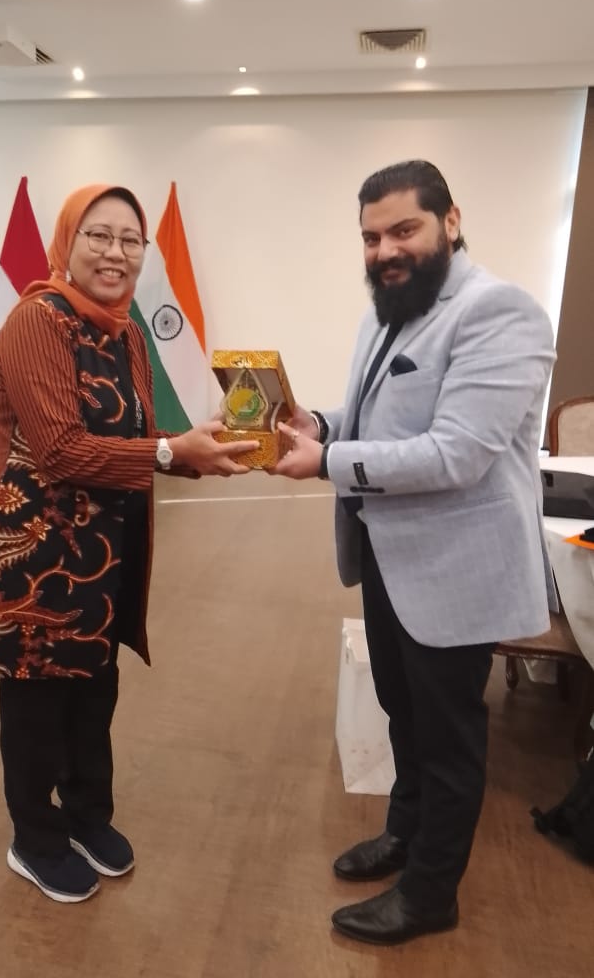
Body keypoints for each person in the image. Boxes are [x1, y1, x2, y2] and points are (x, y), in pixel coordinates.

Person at [273, 160, 557, 945]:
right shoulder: (388, 310)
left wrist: (326, 463)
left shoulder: (499, 311)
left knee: (448, 736)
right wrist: (319, 425)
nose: (385, 250)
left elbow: (454, 454)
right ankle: (405, 832)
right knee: (403, 712)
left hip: (456, 570)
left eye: (404, 229)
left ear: (450, 221)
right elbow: (376, 418)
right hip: (389, 556)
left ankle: (432, 894)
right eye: (371, 237)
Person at [0, 183, 256, 904]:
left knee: (95, 687)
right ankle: (34, 838)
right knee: (38, 697)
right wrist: (169, 453)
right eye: (99, 235)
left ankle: (88, 815)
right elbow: (60, 449)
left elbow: (137, 437)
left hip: (104, 547)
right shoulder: (36, 321)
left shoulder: (126, 332)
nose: (115, 253)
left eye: (130, 239)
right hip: (35, 551)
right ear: (68, 242)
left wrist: (200, 451)